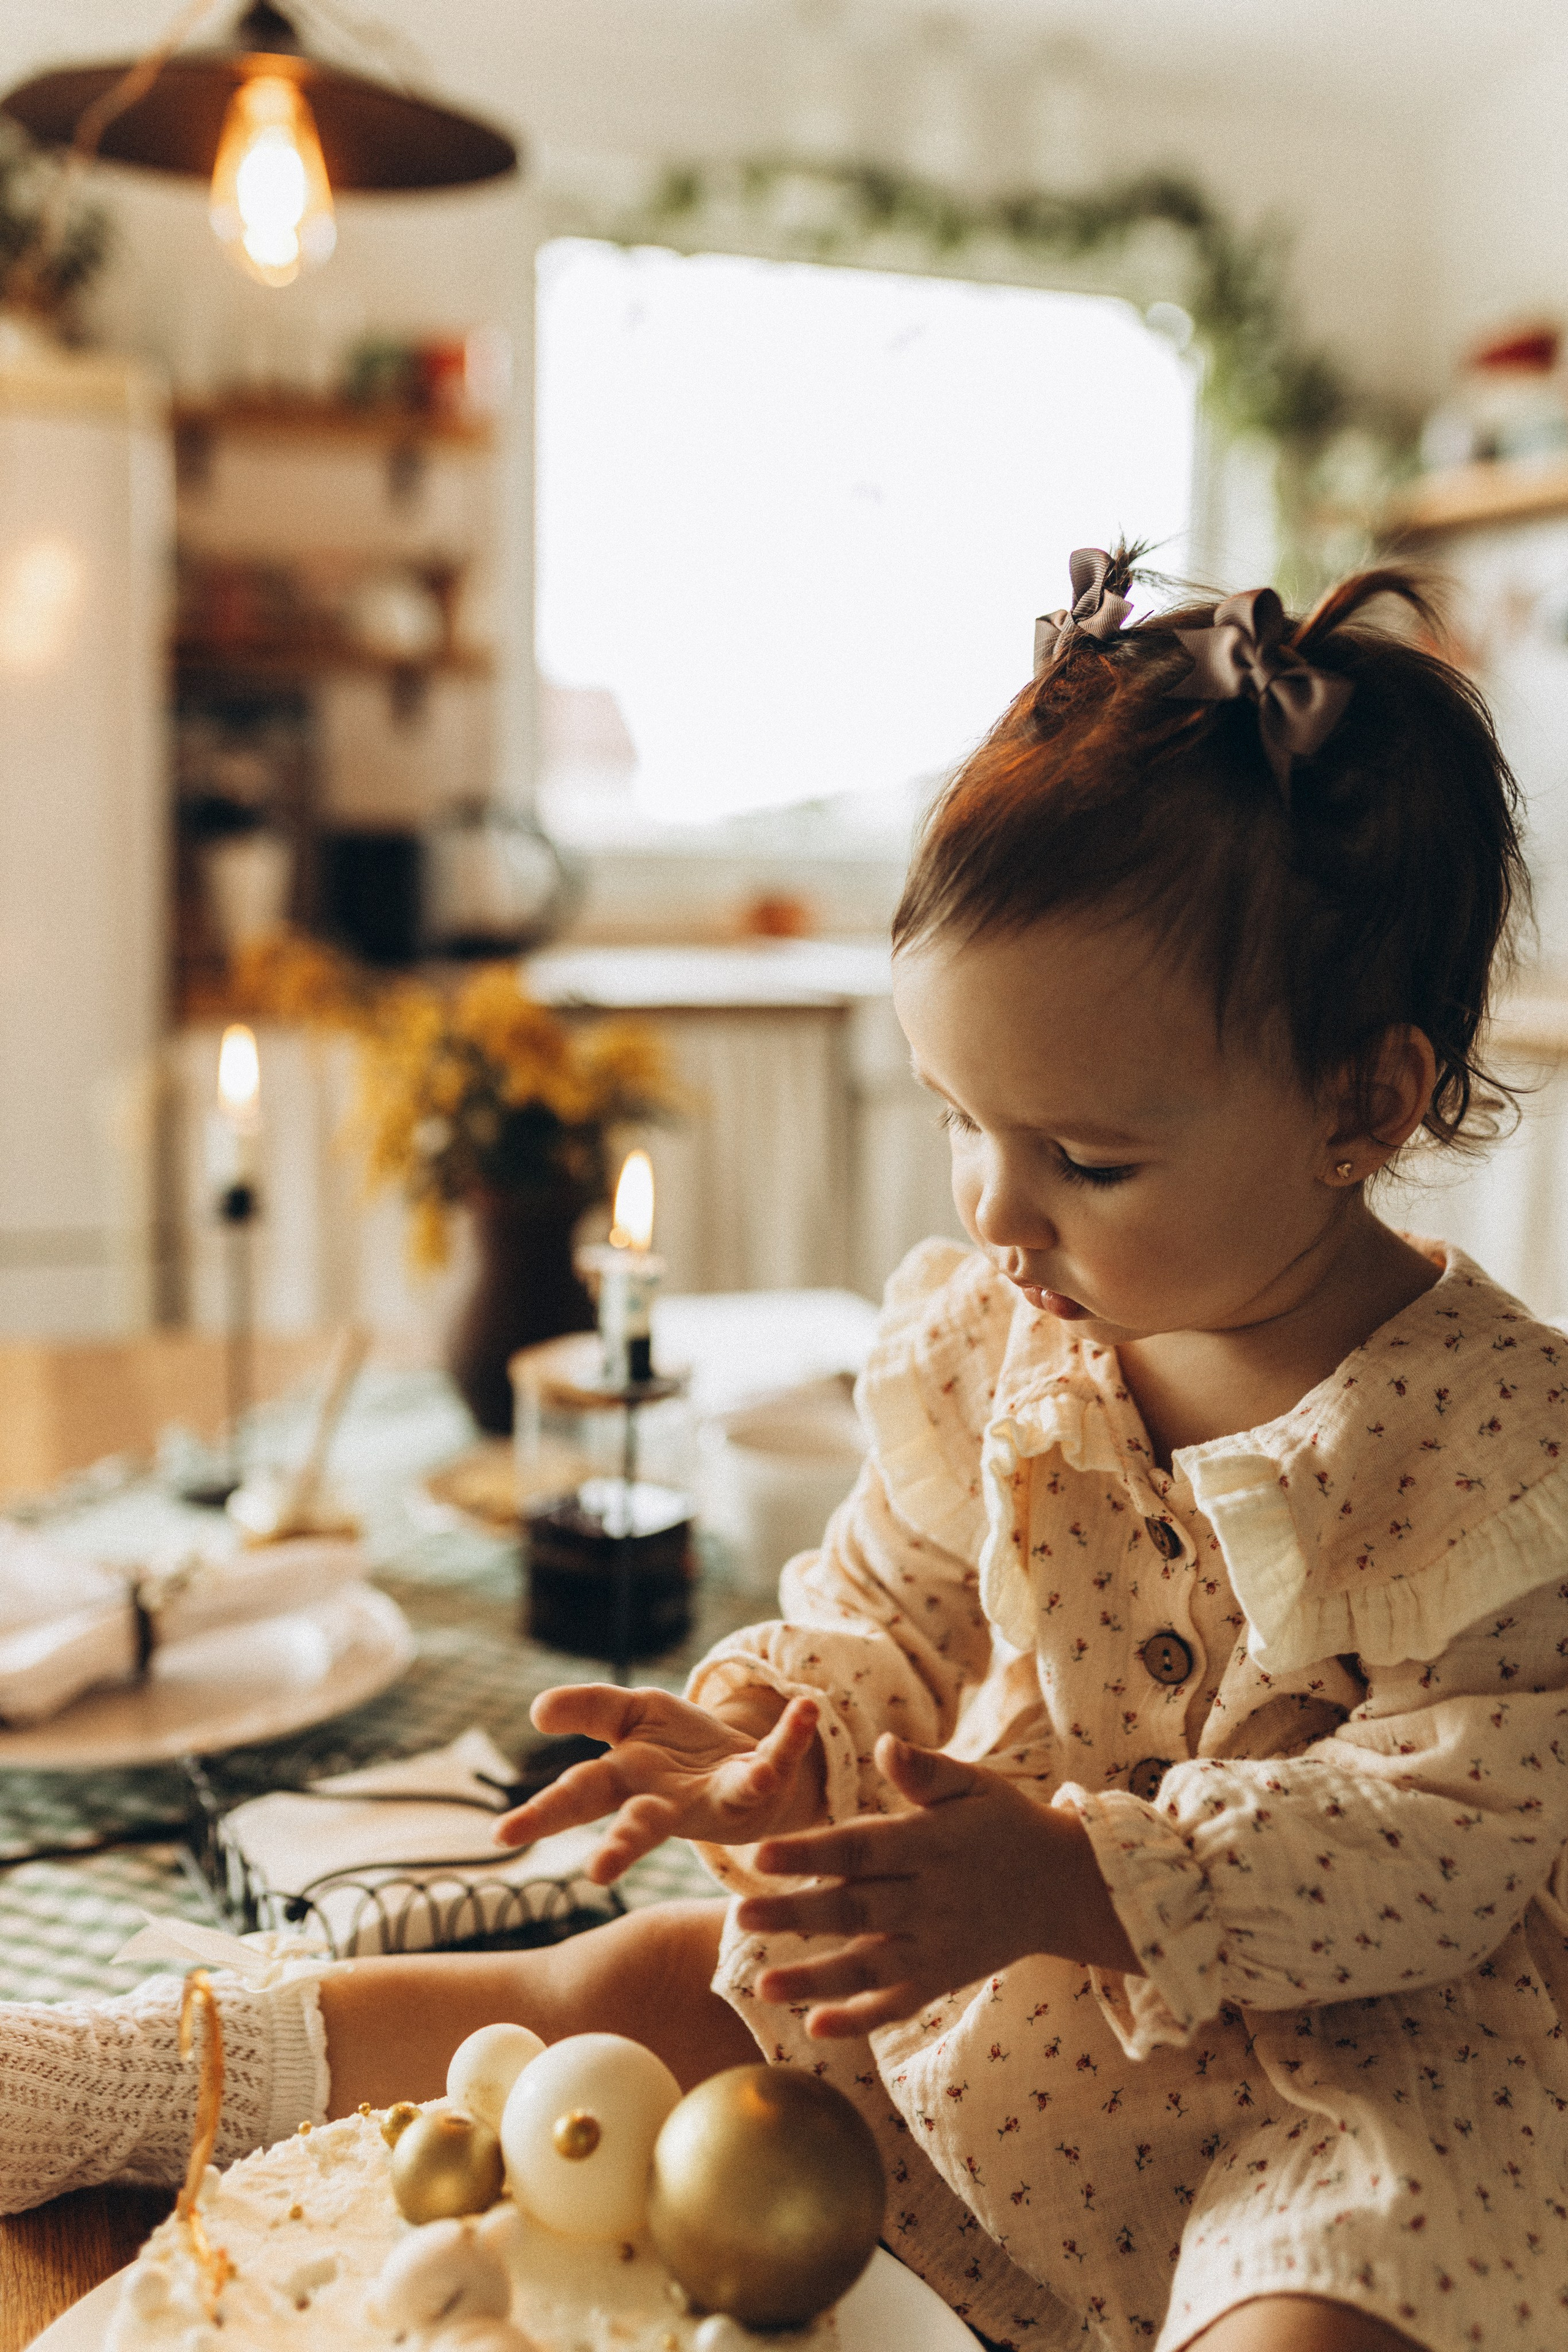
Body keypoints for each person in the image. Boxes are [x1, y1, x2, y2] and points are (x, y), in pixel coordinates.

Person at [6, 549, 1567, 2352]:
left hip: (1340, 2079)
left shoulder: (1494, 1452)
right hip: (999, 2001)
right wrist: (774, 1723)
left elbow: (1447, 1837)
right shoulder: (997, 1334)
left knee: (1324, 2310)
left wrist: (1081, 1872)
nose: (997, 1209)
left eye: (1090, 1160)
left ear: (1359, 1106)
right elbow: (888, 1612)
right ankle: (110, 2080)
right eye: (959, 1120)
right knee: (634, 1983)